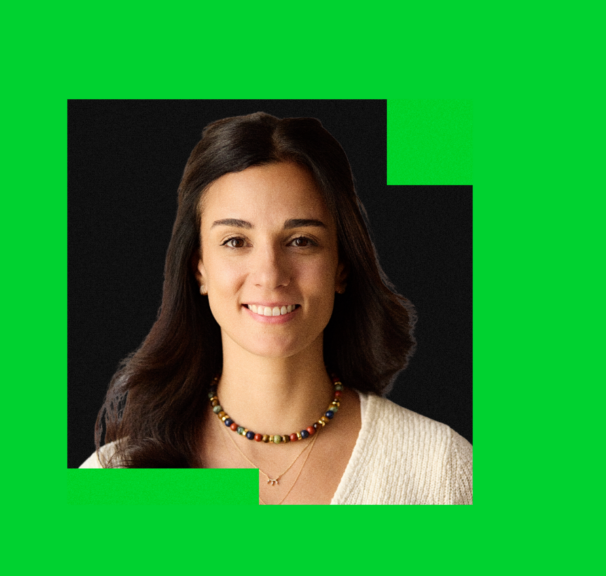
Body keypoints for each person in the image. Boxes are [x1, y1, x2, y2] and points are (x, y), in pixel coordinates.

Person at [79, 112, 472, 505]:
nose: (270, 275)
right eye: (235, 241)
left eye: (301, 241)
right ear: (198, 268)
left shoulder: (439, 470)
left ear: (342, 265)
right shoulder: (116, 477)